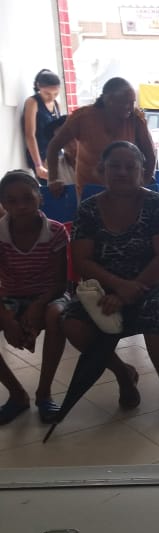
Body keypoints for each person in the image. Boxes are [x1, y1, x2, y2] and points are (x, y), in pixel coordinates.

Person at [62, 141, 159, 427]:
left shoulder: (158, 205)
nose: (122, 172)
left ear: (142, 171)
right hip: (107, 286)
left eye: (130, 166)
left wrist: (129, 291)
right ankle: (123, 374)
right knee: (71, 322)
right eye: (115, 166)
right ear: (102, 170)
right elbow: (82, 260)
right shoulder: (88, 210)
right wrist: (118, 286)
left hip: (157, 283)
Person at [0, 170, 69, 425]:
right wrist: (7, 319)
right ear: (3, 204)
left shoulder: (56, 231)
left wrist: (39, 304)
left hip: (49, 293)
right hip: (11, 295)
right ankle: (17, 395)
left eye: (28, 198)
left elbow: (61, 283)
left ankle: (44, 393)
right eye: (12, 200)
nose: (21, 206)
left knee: (56, 315)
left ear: (40, 197)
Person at [46, 77, 155, 194]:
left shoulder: (135, 119)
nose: (130, 107)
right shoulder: (82, 118)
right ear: (108, 100)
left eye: (132, 102)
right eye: (125, 102)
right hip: (89, 190)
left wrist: (144, 182)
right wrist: (53, 179)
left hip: (126, 191)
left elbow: (150, 154)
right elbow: (54, 146)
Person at [22, 69, 62, 182]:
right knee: (49, 187)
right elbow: (30, 135)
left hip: (56, 154)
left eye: (56, 94)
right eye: (47, 93)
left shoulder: (56, 104)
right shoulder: (33, 102)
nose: (52, 97)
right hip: (40, 155)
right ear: (39, 87)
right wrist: (38, 164)